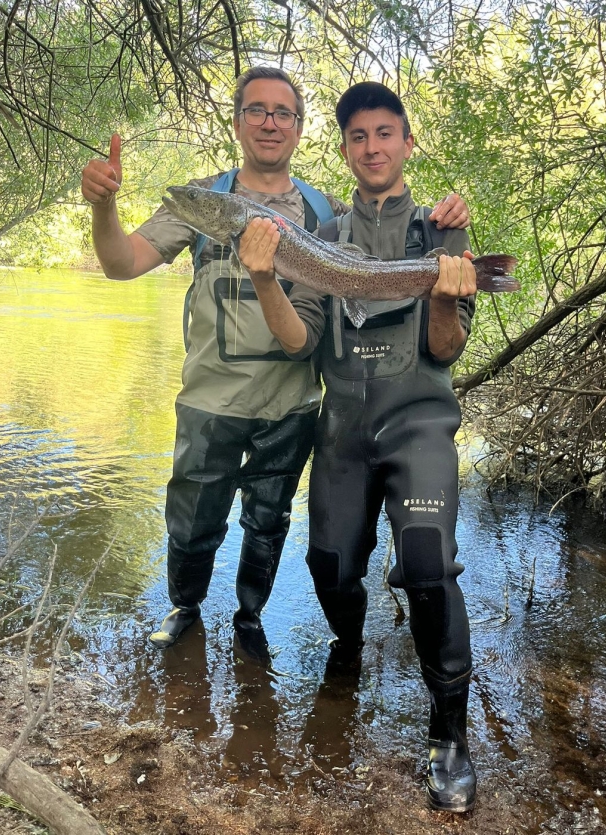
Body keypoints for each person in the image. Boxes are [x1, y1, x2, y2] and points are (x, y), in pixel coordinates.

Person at [80, 68, 471, 654]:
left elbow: (382, 234)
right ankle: (184, 605)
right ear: (237, 121)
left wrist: (445, 225)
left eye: (282, 112)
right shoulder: (202, 200)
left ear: (298, 128)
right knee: (192, 522)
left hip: (291, 404)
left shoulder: (324, 213)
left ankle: (249, 617)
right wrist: (103, 208)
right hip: (209, 397)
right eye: (256, 110)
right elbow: (120, 263)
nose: (269, 121)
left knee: (267, 526)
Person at [238, 81, 478, 813]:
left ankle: (448, 733)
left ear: (406, 142)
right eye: (358, 136)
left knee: (429, 565)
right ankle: (348, 652)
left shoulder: (443, 231)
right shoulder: (316, 234)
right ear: (343, 149)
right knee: (331, 565)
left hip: (419, 424)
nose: (372, 147)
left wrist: (444, 290)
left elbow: (447, 346)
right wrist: (263, 274)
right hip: (342, 428)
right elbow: (300, 338)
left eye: (385, 133)